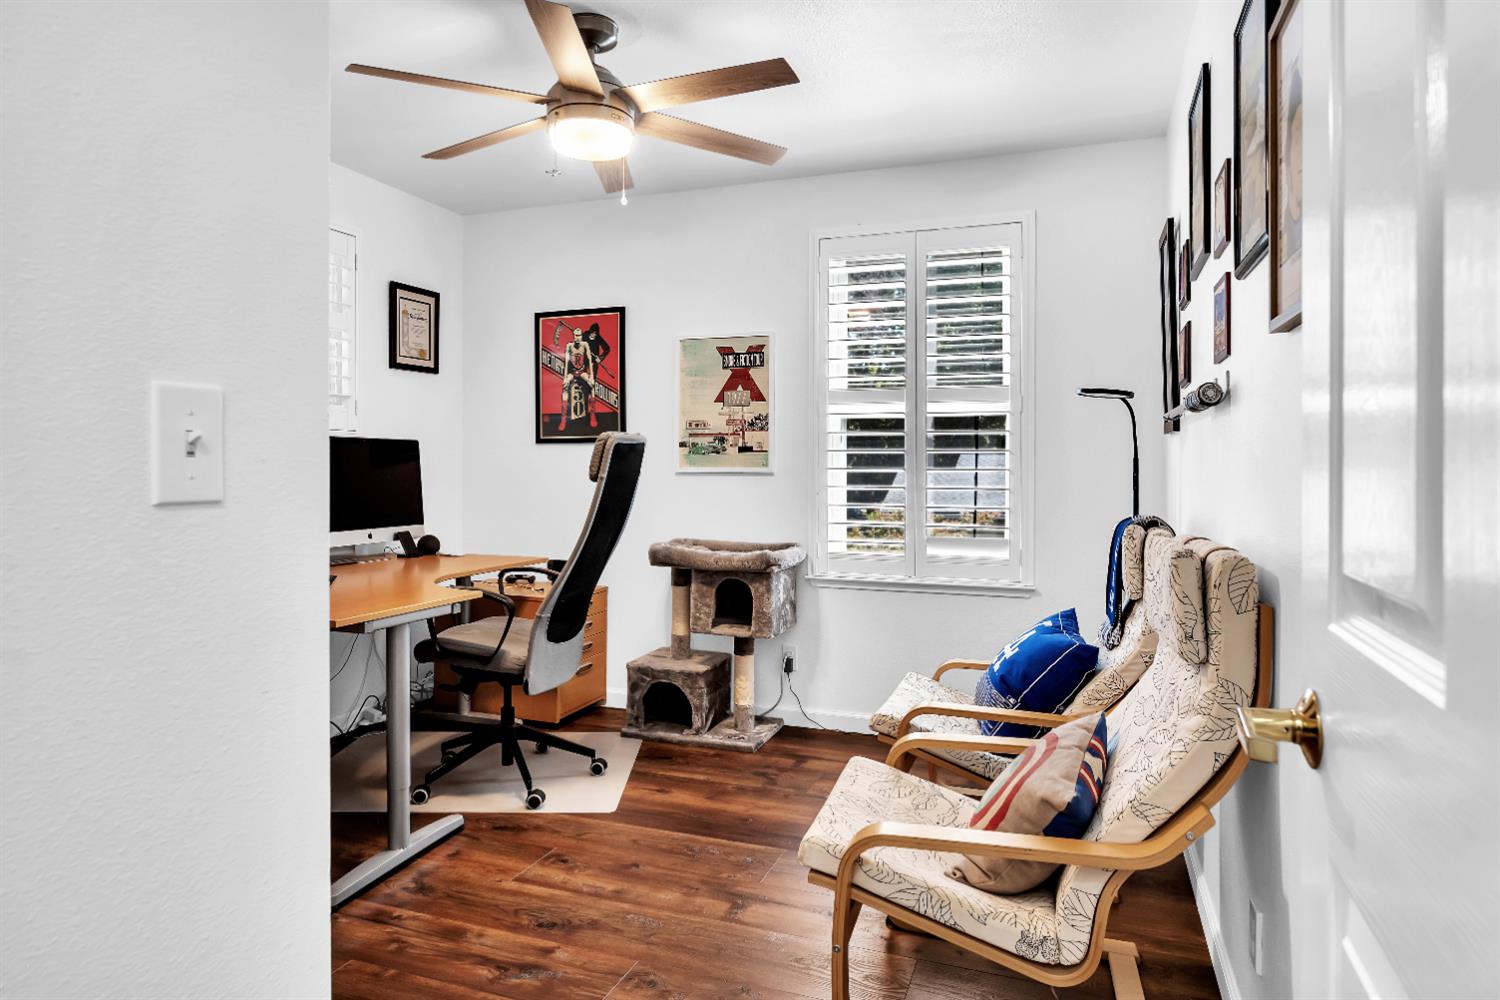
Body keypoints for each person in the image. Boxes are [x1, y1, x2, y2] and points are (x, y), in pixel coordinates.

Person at [558, 326, 596, 432]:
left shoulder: (585, 345)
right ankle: (563, 420)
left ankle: (592, 416)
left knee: (592, 388)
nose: (577, 337)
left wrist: (591, 377)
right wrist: (565, 378)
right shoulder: (569, 346)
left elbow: (589, 360)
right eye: (576, 335)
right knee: (564, 389)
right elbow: (566, 363)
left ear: (581, 336)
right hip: (572, 372)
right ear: (573, 336)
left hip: (583, 371)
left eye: (579, 335)